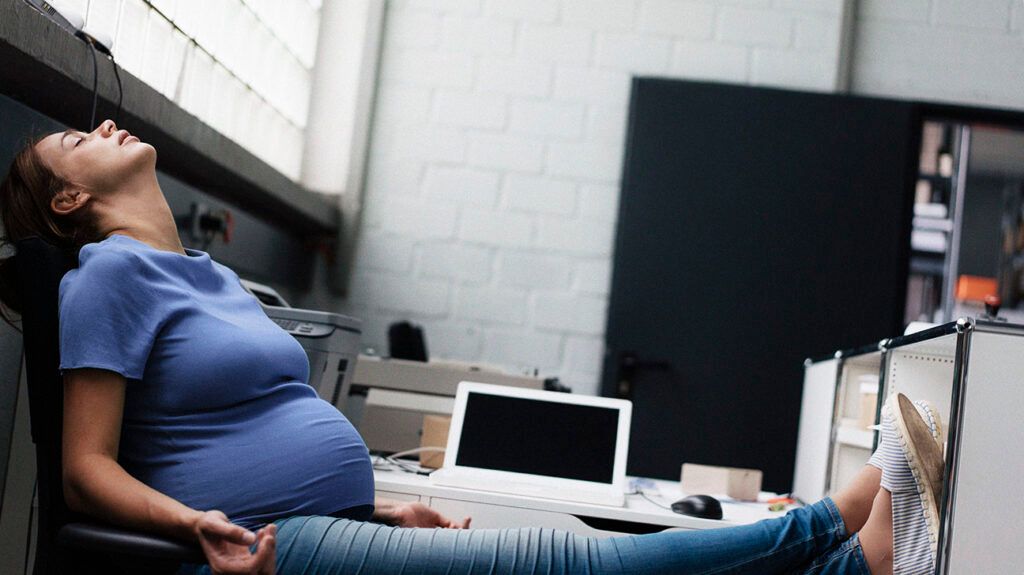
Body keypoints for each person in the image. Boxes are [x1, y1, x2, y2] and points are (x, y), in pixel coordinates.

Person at [0, 120, 946, 575]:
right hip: (263, 547)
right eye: (77, 139)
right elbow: (83, 470)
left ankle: (851, 568)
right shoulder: (109, 277)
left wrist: (374, 504)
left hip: (336, 526)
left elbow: (241, 423)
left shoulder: (209, 275)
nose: (105, 126)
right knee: (574, 568)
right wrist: (192, 525)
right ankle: (835, 520)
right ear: (69, 201)